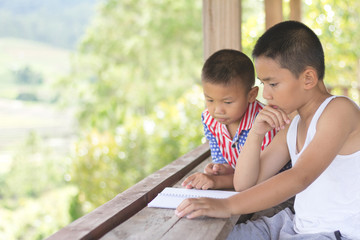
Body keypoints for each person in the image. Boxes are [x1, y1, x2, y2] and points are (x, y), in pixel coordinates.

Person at [175, 21, 360, 239]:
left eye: (273, 84)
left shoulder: (339, 110)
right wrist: (255, 133)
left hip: (335, 233)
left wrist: (226, 205)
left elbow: (300, 176)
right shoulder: (293, 126)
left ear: (308, 78)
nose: (267, 95)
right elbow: (244, 183)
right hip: (293, 226)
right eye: (263, 84)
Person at [182, 49, 288, 190]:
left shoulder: (266, 122)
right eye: (210, 100)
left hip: (275, 189)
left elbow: (260, 177)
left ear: (251, 95)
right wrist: (220, 169)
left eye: (227, 102)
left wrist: (216, 181)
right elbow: (223, 160)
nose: (217, 110)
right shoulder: (209, 120)